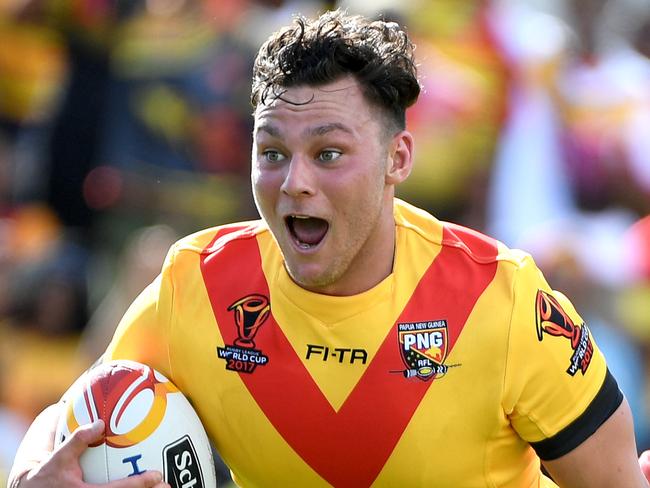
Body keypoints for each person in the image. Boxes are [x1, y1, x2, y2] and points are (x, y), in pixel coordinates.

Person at [7, 9, 650, 488]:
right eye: (272, 154)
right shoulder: (197, 285)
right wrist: (36, 473)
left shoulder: (501, 298)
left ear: (398, 157)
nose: (295, 182)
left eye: (329, 153)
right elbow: (75, 415)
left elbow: (614, 478)